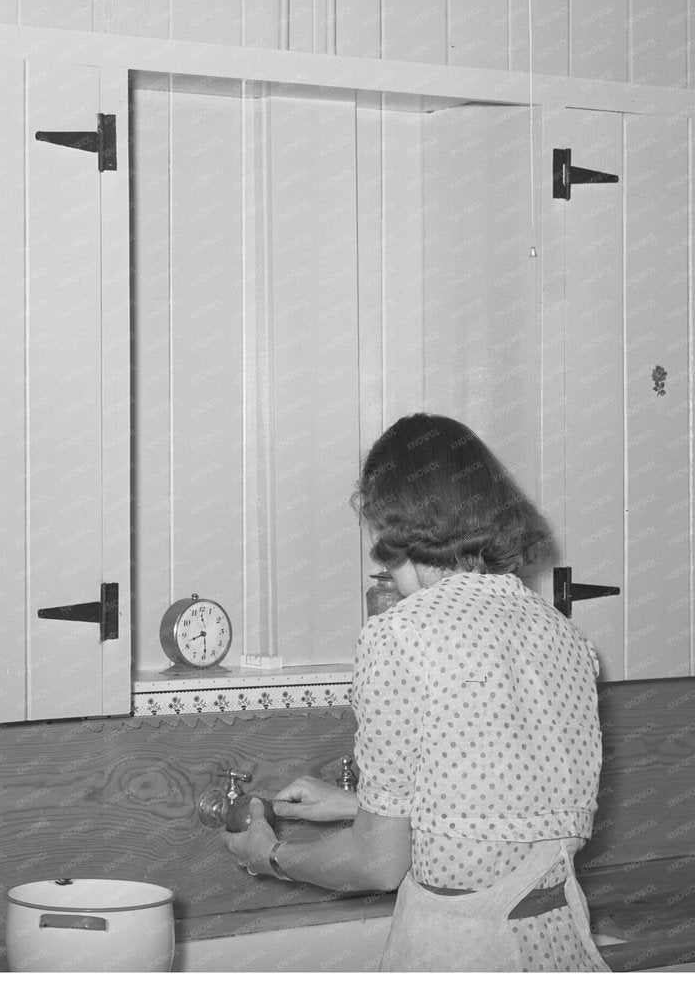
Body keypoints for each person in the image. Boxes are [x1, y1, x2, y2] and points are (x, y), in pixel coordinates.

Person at [221, 413, 608, 972]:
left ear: (392, 518)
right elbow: (503, 814)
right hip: (555, 941)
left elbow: (377, 864)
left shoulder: (401, 632)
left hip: (465, 949)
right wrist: (354, 806)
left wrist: (271, 855)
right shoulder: (564, 637)